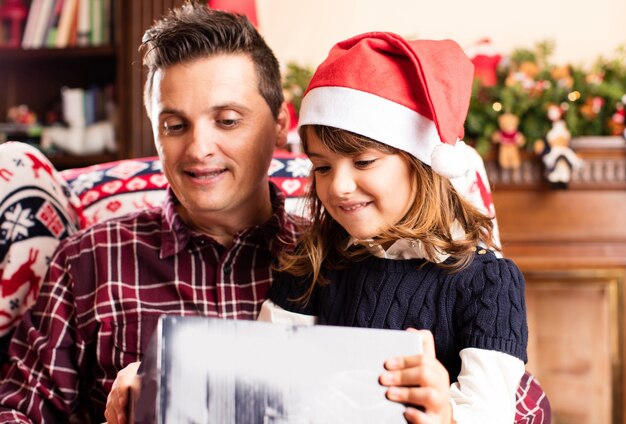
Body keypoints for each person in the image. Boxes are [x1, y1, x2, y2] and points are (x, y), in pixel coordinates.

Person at [0, 1, 302, 422]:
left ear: (281, 123)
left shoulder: (335, 257)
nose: (199, 150)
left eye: (228, 120)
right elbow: (15, 411)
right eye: (175, 125)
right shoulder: (87, 261)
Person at [259, 32, 534, 423]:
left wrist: (444, 415)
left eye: (363, 162)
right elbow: (264, 382)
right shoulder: (311, 263)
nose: (337, 187)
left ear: (420, 163)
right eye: (322, 167)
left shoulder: (488, 283)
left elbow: (488, 412)